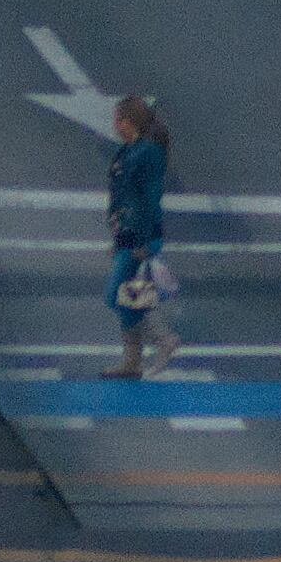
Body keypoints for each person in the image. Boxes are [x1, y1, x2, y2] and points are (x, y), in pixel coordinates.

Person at [104, 94, 176, 380]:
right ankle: (132, 359)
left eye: (118, 119)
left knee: (116, 296)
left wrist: (146, 242)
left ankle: (163, 338)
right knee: (129, 292)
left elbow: (149, 198)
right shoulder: (130, 150)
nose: (114, 124)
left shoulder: (147, 153)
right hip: (129, 234)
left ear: (129, 121)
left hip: (139, 236)